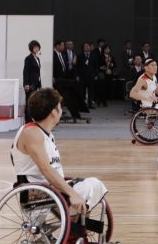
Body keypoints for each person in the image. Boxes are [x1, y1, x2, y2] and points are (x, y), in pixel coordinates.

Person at [12, 88, 108, 221]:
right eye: (60, 107)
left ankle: (76, 229)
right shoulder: (32, 133)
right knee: (92, 185)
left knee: (90, 185)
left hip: (51, 189)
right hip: (37, 194)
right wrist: (72, 193)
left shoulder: (46, 134)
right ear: (53, 112)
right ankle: (73, 232)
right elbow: (46, 169)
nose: (61, 110)